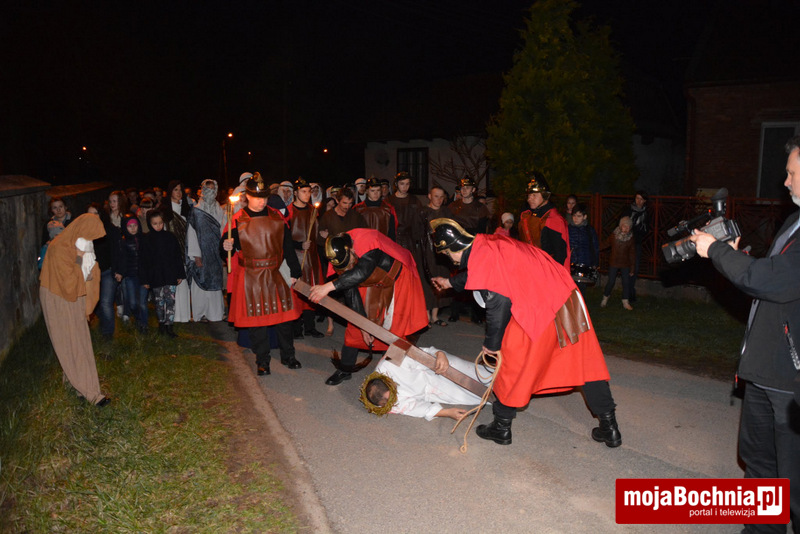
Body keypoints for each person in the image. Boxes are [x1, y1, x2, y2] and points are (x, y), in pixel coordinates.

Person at [689, 136, 800, 533]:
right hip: (764, 369)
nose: (785, 182)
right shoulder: (794, 222)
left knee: (793, 483)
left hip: (791, 381)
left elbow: (772, 281)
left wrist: (716, 251)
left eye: (792, 173)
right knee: (759, 469)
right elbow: (770, 276)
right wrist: (736, 257)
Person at [429, 218, 620, 447]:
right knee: (585, 363)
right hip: (568, 299)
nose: (450, 259)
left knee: (512, 362)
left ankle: (501, 427)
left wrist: (492, 344)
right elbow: (482, 272)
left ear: (454, 247)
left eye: (448, 254)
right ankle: (610, 428)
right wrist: (450, 282)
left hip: (541, 305)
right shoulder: (488, 243)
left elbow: (498, 301)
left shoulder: (484, 255)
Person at [308, 229, 428, 386]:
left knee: (396, 331)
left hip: (396, 280)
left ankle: (392, 372)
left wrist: (329, 286)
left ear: (351, 249)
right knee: (354, 327)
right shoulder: (343, 258)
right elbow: (351, 292)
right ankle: (345, 368)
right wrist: (363, 326)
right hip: (370, 281)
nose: (347, 267)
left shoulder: (370, 242)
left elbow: (362, 271)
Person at [222, 173, 303, 376]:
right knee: (257, 321)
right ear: (247, 196)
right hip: (251, 275)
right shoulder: (237, 219)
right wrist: (225, 246)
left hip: (276, 272)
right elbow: (227, 248)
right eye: (257, 197)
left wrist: (295, 271)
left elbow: (287, 245)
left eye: (264, 197)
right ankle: (263, 361)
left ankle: (288, 356)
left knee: (284, 319)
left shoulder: (277, 217)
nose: (262, 202)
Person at [39, 213, 110, 407]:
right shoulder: (60, 248)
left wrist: (88, 265)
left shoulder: (75, 243)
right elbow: (70, 284)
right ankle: (91, 393)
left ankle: (75, 384)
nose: (90, 242)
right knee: (73, 341)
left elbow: (85, 275)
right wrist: (79, 258)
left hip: (68, 297)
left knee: (74, 340)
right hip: (58, 298)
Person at [360, 346, 492, 420]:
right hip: (430, 390)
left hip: (431, 365)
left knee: (468, 371)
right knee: (472, 394)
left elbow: (418, 350)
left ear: (388, 381)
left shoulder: (390, 360)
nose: (395, 399)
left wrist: (439, 353)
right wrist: (447, 413)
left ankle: (499, 376)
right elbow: (413, 408)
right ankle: (499, 399)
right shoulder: (382, 404)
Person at [448, 177, 490, 324]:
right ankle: (454, 311)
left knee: (474, 277)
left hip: (474, 244)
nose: (464, 190)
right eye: (462, 187)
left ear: (473, 190)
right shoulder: (453, 206)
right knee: (456, 274)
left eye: (467, 187)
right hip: (457, 245)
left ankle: (476, 314)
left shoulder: (480, 208)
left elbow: (483, 230)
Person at [287, 177, 325, 338]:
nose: (307, 194)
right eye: (303, 191)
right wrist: (298, 245)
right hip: (296, 257)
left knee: (311, 290)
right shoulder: (288, 211)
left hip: (312, 257)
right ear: (295, 193)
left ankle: (310, 327)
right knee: (297, 292)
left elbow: (315, 232)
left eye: (309, 191)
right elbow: (284, 238)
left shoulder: (312, 210)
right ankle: (296, 328)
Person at [139, 210, 186, 337]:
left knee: (170, 301)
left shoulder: (170, 237)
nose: (158, 226)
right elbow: (143, 261)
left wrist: (180, 274)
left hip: (170, 274)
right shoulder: (146, 239)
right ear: (149, 224)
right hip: (155, 276)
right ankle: (161, 324)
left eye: (160, 223)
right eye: (155, 224)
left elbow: (177, 256)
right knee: (159, 302)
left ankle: (169, 326)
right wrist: (145, 280)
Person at [186, 179, 226, 322]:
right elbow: (191, 233)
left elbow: (223, 231)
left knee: (215, 282)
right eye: (207, 189)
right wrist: (196, 255)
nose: (210, 192)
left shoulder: (220, 210)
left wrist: (223, 253)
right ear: (202, 191)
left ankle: (215, 314)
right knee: (201, 282)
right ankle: (201, 313)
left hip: (215, 252)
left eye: (213, 189)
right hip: (201, 252)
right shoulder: (196, 211)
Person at [518, 172, 570, 269]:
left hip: (548, 269)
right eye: (529, 196)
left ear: (545, 196)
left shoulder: (554, 220)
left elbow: (560, 254)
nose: (530, 199)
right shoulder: (526, 216)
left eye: (534, 195)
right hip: (530, 267)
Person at [419, 185, 454, 326]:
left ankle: (435, 315)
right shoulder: (422, 211)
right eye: (436, 196)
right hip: (426, 251)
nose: (439, 199)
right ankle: (426, 315)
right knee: (427, 280)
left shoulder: (446, 212)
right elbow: (416, 232)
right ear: (429, 196)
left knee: (440, 279)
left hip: (442, 252)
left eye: (441, 197)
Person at [161, 180, 192, 323]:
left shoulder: (186, 209)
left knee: (183, 284)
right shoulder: (164, 210)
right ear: (170, 192)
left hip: (184, 251)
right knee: (172, 283)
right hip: (170, 252)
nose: (179, 193)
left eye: (180, 190)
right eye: (175, 190)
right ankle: (171, 315)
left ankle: (183, 316)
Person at [113, 214, 149, 332]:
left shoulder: (144, 239)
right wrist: (119, 272)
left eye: (135, 225)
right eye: (130, 226)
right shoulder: (123, 242)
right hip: (130, 276)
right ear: (125, 227)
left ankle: (144, 325)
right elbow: (121, 259)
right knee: (133, 303)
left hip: (143, 275)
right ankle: (138, 319)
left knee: (142, 303)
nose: (133, 228)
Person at [600, 216, 636, 310]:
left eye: (628, 227)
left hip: (625, 264)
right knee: (611, 281)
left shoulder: (631, 238)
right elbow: (606, 244)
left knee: (626, 282)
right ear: (620, 226)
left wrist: (632, 268)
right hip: (614, 262)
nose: (626, 228)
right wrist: (596, 248)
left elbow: (632, 254)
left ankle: (625, 301)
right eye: (624, 226)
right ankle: (605, 298)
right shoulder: (614, 236)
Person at [568, 203, 600, 296]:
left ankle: (581, 305)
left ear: (584, 217)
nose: (576, 218)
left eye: (579, 216)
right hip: (571, 263)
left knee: (581, 290)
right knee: (570, 290)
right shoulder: (568, 229)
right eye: (574, 215)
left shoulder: (589, 230)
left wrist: (595, 263)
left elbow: (595, 247)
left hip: (585, 263)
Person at [625, 190, 649, 302]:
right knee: (625, 267)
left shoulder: (645, 213)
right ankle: (626, 292)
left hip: (637, 243)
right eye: (637, 198)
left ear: (645, 201)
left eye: (641, 199)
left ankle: (631, 292)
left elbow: (646, 228)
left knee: (634, 268)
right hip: (626, 241)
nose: (638, 201)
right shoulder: (628, 210)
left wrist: (639, 230)